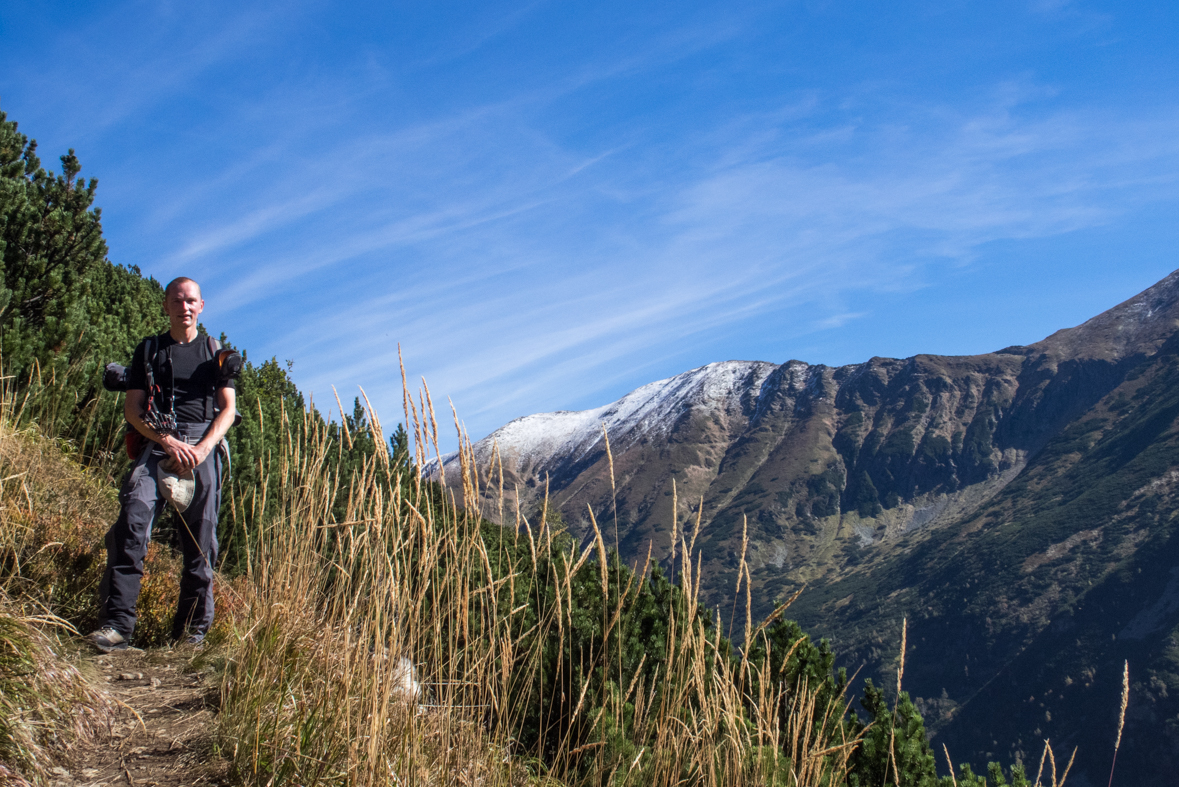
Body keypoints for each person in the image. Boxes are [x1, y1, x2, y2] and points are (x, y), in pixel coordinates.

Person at [87, 277, 237, 652]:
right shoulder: (149, 349)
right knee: (132, 521)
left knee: (201, 545)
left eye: (190, 301)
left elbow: (229, 410)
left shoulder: (216, 352)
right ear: (166, 305)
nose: (184, 307)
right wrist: (166, 440)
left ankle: (190, 636)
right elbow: (133, 409)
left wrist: (203, 449)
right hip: (158, 442)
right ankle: (118, 626)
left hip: (203, 443)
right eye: (177, 300)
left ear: (201, 305)